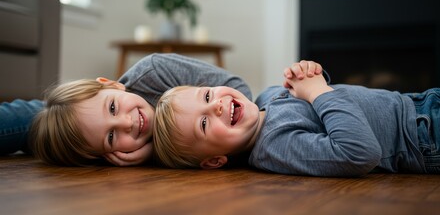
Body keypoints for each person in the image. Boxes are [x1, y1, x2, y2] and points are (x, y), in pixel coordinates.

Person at [27, 54, 321, 166]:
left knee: (30, 114)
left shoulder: (154, 72)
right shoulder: (125, 156)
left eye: (114, 106)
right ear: (107, 155)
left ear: (112, 85)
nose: (127, 123)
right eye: (111, 137)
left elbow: (242, 92)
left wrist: (153, 149)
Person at [153, 61, 439, 177]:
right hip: (423, 137)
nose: (215, 106)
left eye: (206, 96)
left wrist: (311, 75)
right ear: (214, 160)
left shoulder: (265, 97)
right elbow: (359, 152)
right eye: (203, 124)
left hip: (419, 100)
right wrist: (317, 93)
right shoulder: (275, 147)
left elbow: (326, 95)